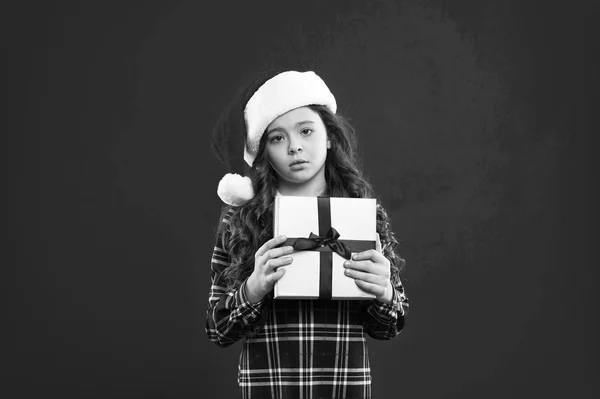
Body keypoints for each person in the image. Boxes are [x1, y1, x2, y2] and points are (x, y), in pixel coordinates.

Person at [206, 70, 409, 399]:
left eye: (306, 131)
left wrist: (384, 291)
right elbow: (218, 330)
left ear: (328, 136)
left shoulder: (363, 215)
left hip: (345, 389)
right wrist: (253, 288)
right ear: (264, 150)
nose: (295, 147)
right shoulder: (238, 220)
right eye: (277, 138)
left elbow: (388, 327)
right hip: (267, 389)